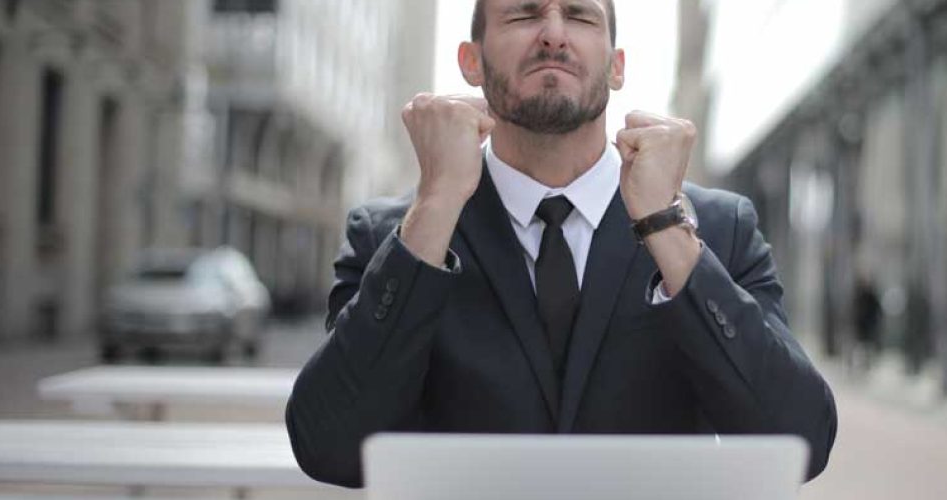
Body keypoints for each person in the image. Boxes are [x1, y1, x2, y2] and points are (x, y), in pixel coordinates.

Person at [286, 0, 837, 488]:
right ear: (470, 60)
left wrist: (666, 228)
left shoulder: (717, 228)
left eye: (579, 15)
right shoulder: (394, 237)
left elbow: (800, 442)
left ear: (617, 65)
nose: (553, 33)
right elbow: (328, 446)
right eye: (524, 13)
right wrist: (436, 206)